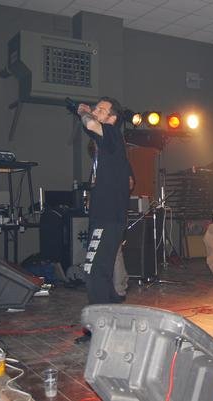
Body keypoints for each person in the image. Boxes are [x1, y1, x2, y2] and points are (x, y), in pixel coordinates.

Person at [77, 96, 132, 306]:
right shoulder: (106, 143)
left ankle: (99, 319)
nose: (95, 111)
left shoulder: (111, 132)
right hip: (104, 215)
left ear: (112, 118)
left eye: (101, 109)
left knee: (94, 270)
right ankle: (110, 313)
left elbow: (90, 124)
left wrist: (82, 112)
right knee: (102, 269)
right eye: (95, 108)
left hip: (108, 215)